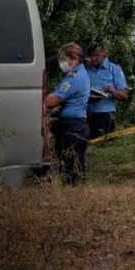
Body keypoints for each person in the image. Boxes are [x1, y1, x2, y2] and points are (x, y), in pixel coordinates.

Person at [44, 43, 90, 185]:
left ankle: (73, 194)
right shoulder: (73, 74)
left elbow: (53, 100)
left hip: (72, 126)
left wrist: (37, 99)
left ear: (73, 58)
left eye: (63, 59)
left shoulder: (75, 77)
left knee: (71, 168)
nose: (61, 63)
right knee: (68, 165)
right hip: (71, 124)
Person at [84, 44, 129, 140]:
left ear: (104, 53)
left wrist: (112, 91)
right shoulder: (86, 68)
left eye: (96, 56)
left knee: (101, 146)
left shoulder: (114, 69)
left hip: (104, 115)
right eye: (91, 56)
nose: (93, 59)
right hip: (85, 114)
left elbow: (124, 96)